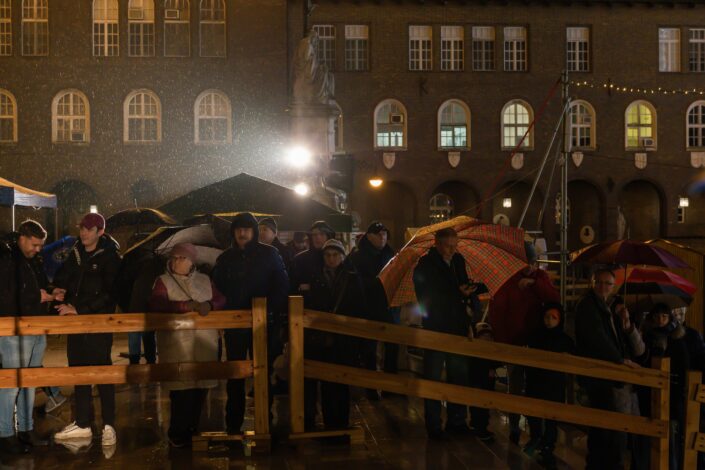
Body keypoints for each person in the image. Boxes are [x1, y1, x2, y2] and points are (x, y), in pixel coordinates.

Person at [212, 212, 289, 434]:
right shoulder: (225, 258)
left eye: (246, 229)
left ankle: (266, 418)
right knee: (235, 372)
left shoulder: (270, 254)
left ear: (254, 232)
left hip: (264, 324)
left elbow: (281, 285)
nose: (242, 233)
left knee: (263, 371)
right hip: (235, 325)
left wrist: (269, 310)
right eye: (238, 229)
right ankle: (233, 422)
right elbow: (217, 288)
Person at [53, 213, 121, 448]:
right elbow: (65, 276)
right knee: (78, 371)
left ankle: (109, 425)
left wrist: (80, 309)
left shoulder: (111, 257)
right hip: (76, 324)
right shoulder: (76, 251)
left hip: (98, 324)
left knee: (102, 372)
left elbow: (111, 293)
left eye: (89, 229)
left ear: (100, 232)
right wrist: (58, 290)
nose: (83, 232)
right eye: (82, 227)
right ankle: (83, 423)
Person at [148, 243, 226, 447]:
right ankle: (177, 433)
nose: (177, 261)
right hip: (177, 345)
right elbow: (157, 304)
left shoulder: (204, 280)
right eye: (174, 257)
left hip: (203, 342)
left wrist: (210, 305)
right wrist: (184, 306)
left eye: (182, 258)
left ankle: (192, 428)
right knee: (181, 391)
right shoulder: (163, 281)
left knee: (200, 389)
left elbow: (220, 299)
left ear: (192, 261)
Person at [487, 241, 559, 444]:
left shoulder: (540, 278)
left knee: (536, 387)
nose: (530, 266)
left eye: (533, 262)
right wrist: (503, 344)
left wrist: (534, 284)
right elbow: (497, 313)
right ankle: (514, 427)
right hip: (514, 342)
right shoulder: (508, 281)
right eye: (526, 262)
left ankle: (536, 430)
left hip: (536, 343)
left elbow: (554, 299)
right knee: (515, 386)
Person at [574, 268, 645, 470]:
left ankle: (600, 465)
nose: (603, 286)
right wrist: (619, 360)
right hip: (600, 374)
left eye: (608, 283)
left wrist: (625, 323)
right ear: (593, 283)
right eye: (599, 282)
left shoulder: (605, 308)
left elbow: (633, 347)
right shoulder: (589, 306)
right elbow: (597, 338)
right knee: (606, 428)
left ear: (614, 287)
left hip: (607, 376)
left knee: (604, 428)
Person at [0, 220, 57, 454]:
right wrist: (37, 295)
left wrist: (51, 291)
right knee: (12, 384)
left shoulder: (33, 259)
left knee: (30, 381)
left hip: (35, 326)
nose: (38, 249)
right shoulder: (7, 258)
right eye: (34, 244)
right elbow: (6, 296)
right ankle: (5, 434)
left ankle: (26, 429)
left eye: (40, 245)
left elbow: (38, 285)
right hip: (14, 330)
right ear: (22, 238)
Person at [412, 228, 473, 439]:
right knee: (433, 377)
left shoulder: (458, 261)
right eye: (448, 246)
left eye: (455, 246)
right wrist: (457, 293)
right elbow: (427, 297)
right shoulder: (425, 266)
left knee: (459, 376)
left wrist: (469, 294)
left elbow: (462, 284)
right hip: (436, 327)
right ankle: (434, 425)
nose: (452, 250)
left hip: (457, 326)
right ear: (437, 244)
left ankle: (457, 421)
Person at [303, 239, 368, 432]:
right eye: (327, 255)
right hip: (321, 336)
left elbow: (359, 306)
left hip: (343, 337)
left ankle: (339, 423)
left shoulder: (351, 277)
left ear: (342, 256)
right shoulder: (315, 276)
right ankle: (328, 422)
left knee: (340, 382)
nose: (331, 259)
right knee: (325, 381)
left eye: (335, 255)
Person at [348, 221, 397, 400]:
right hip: (367, 307)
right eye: (378, 234)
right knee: (369, 348)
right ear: (369, 236)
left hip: (388, 306)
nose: (382, 237)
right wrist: (376, 283)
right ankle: (371, 387)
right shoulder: (358, 256)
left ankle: (391, 386)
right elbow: (355, 283)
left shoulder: (390, 253)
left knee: (392, 346)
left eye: (385, 234)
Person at [524, 302, 575, 469]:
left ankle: (548, 448)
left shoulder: (565, 340)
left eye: (554, 317)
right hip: (536, 382)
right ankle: (536, 438)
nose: (549, 321)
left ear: (559, 319)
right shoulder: (534, 336)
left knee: (552, 419)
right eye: (547, 317)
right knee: (534, 415)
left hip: (554, 385)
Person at [641, 304, 690, 470]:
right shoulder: (647, 337)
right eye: (657, 316)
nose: (660, 320)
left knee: (671, 438)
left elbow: (683, 366)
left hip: (672, 394)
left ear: (670, 318)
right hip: (650, 393)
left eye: (664, 316)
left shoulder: (676, 338)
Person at [467, 322, 499, 442]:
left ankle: (482, 427)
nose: (487, 338)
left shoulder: (492, 352)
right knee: (477, 407)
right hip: (478, 383)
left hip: (488, 384)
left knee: (485, 407)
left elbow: (496, 362)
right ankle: (479, 428)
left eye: (489, 336)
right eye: (483, 336)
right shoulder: (474, 353)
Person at [289, 221, 335, 302]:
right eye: (314, 235)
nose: (318, 237)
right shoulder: (300, 260)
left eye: (322, 234)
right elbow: (292, 289)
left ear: (328, 236)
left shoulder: (335, 258)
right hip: (308, 305)